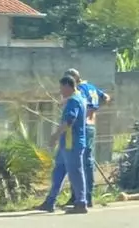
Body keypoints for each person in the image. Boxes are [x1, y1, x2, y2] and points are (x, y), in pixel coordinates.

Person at [38, 75, 89, 214]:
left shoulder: (74, 100)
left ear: (68, 86)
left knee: (75, 173)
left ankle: (81, 203)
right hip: (66, 144)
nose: (60, 91)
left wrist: (55, 136)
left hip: (71, 143)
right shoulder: (79, 97)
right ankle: (50, 201)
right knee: (58, 172)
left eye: (61, 88)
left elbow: (69, 121)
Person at [64, 68, 110, 207]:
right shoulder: (91, 87)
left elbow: (78, 106)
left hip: (81, 128)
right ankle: (86, 197)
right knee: (87, 163)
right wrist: (95, 109)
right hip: (91, 127)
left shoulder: (80, 90)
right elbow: (106, 97)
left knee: (77, 163)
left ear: (74, 80)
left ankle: (79, 197)